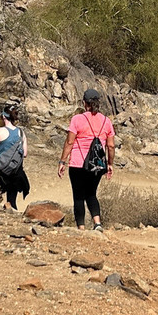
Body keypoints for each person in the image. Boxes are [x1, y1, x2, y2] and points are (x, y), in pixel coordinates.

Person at [58, 88, 115, 231]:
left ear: (84, 103)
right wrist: (110, 164)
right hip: (97, 164)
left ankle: (81, 228)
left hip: (78, 163)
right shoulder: (106, 121)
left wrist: (62, 161)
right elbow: (111, 146)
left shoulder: (77, 119)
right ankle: (97, 223)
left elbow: (69, 142)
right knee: (91, 193)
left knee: (78, 196)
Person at [0, 103, 30, 210]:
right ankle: (14, 221)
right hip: (16, 172)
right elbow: (25, 154)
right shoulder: (21, 133)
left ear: (4, 116)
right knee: (12, 201)